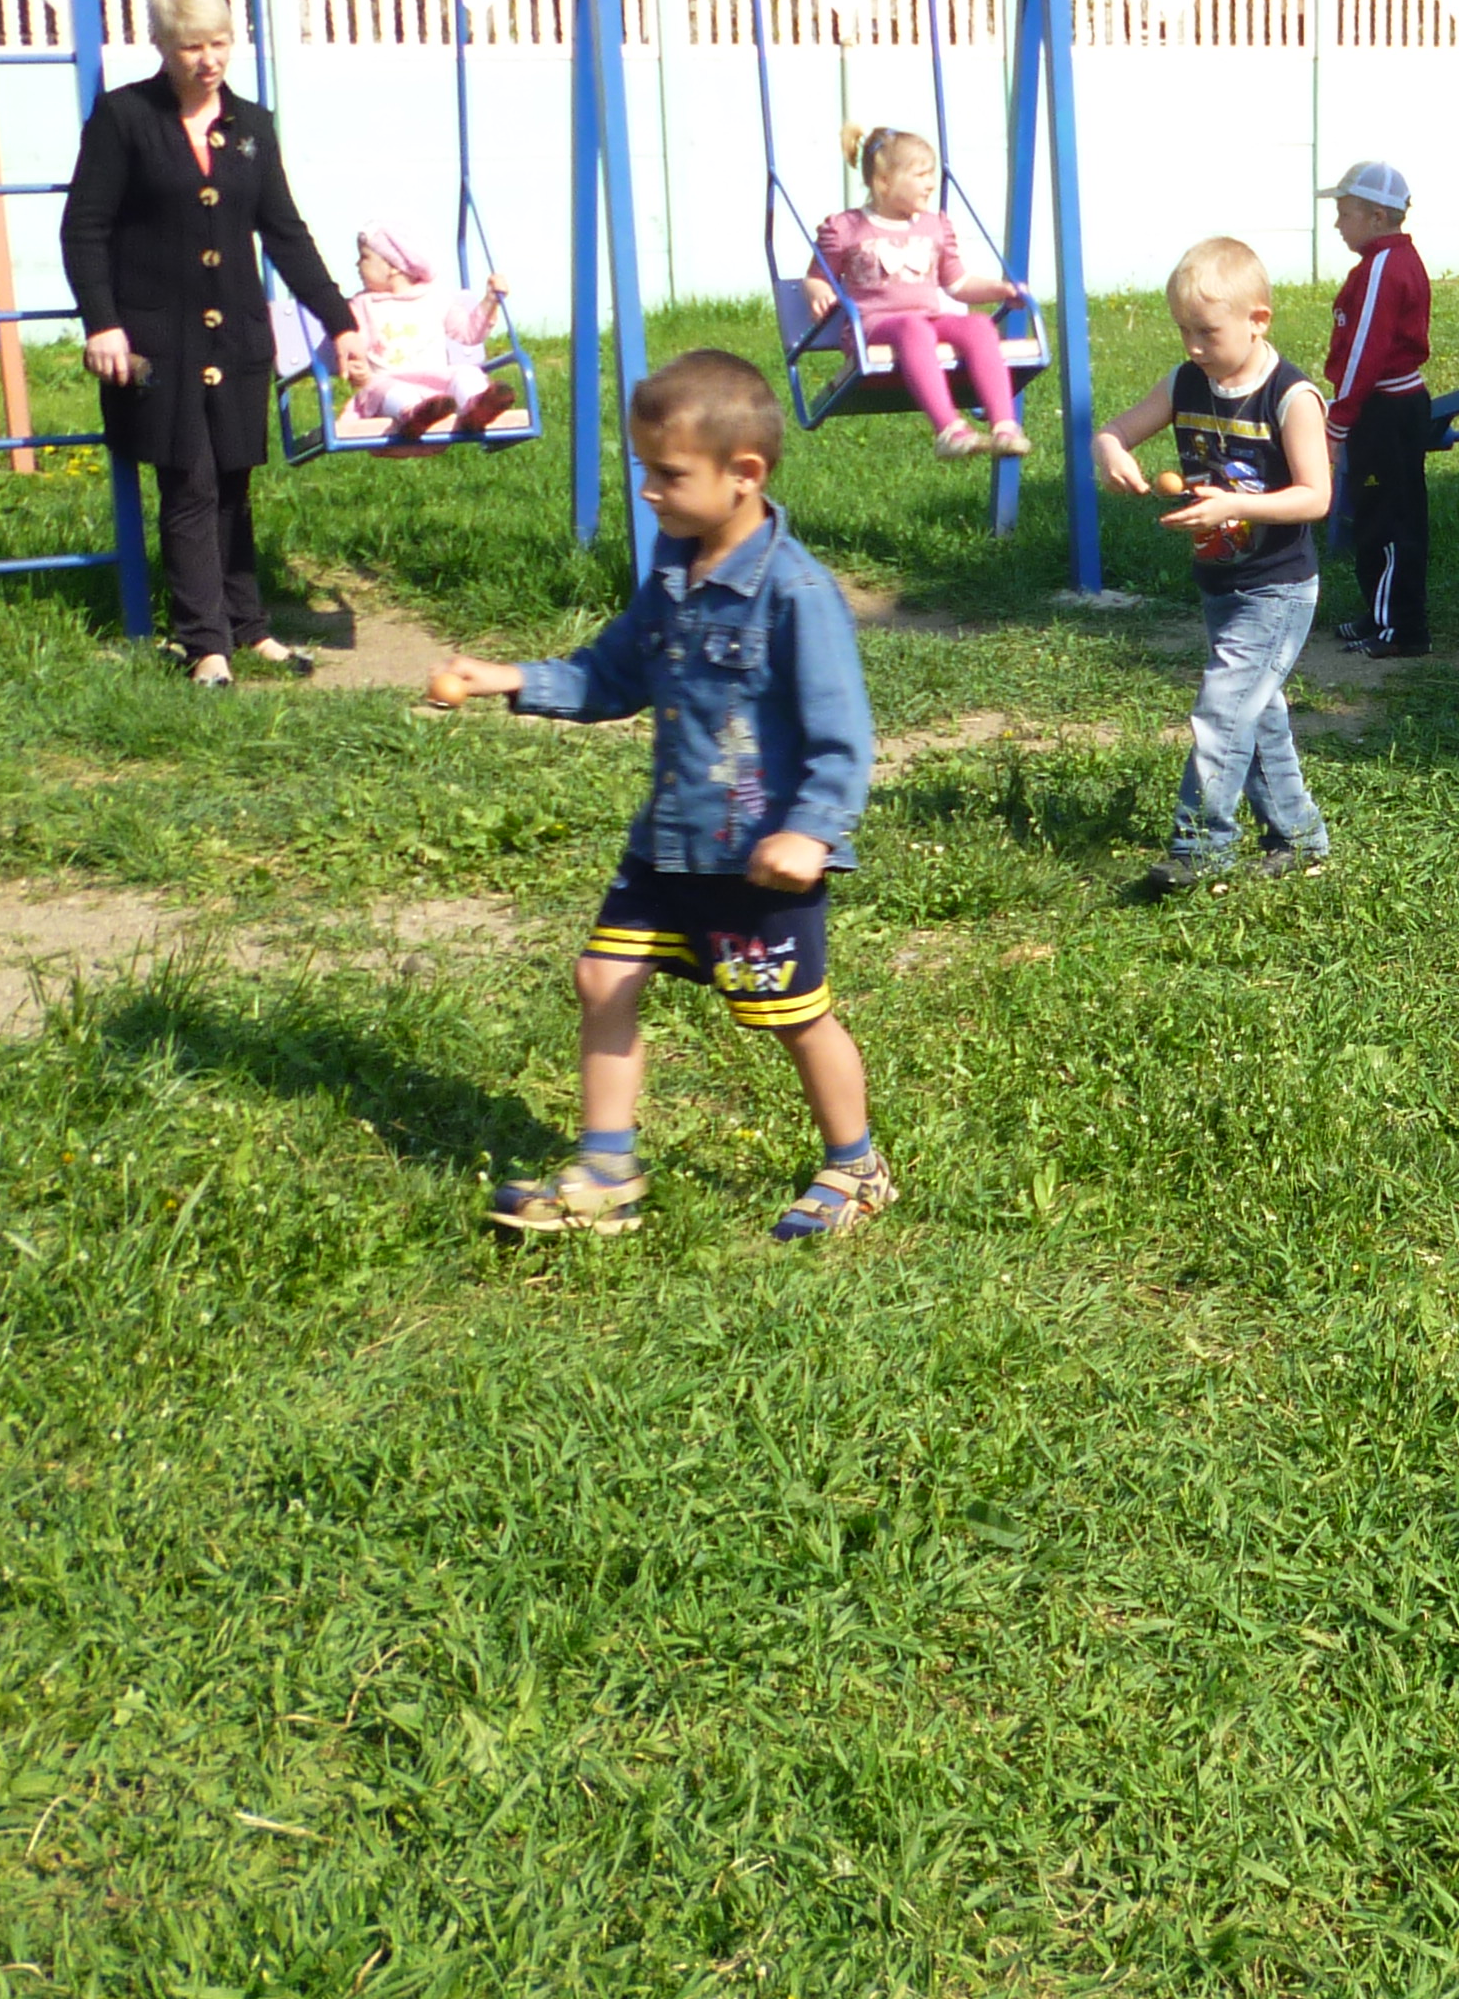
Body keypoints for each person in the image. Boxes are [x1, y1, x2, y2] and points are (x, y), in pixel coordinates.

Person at [425, 350, 888, 1243]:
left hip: (759, 864)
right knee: (603, 975)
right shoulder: (672, 575)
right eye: (643, 468)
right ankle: (607, 1169)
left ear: (744, 476)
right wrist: (510, 678)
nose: (648, 490)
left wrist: (813, 832)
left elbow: (844, 737)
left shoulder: (795, 595)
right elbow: (610, 674)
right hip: (668, 847)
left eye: (668, 473)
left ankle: (857, 1165)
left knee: (792, 1019)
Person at [61, 0, 369, 686]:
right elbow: (85, 230)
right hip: (155, 342)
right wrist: (102, 324)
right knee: (191, 482)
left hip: (235, 338)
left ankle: (249, 627)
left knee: (233, 480)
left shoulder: (252, 127)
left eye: (221, 42)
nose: (210, 59)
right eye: (193, 45)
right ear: (163, 46)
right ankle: (206, 644)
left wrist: (340, 321)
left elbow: (284, 233)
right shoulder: (123, 119)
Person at [1094, 238, 1337, 892]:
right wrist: (1110, 449)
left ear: (1259, 319)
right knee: (1257, 711)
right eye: (1184, 331)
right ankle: (1299, 836)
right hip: (1221, 583)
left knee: (1223, 710)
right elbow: (1116, 429)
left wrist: (1235, 503)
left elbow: (1317, 496)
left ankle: (1200, 845)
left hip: (1278, 588)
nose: (1194, 346)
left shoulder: (1291, 397)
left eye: (1208, 332)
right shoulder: (1185, 383)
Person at [807, 126, 1029, 462]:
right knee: (913, 327)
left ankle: (1004, 426)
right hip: (873, 328)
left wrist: (999, 289)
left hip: (925, 321)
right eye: (921, 174)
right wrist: (819, 292)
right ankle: (949, 430)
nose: (930, 183)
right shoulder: (846, 228)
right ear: (884, 182)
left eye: (932, 174)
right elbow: (816, 277)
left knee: (979, 326)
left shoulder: (934, 226)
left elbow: (957, 284)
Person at [1318, 159, 1433, 656]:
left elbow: (1367, 347)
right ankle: (1379, 613)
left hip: (1386, 408)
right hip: (1384, 406)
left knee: (1389, 519)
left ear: (1378, 217)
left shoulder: (1385, 266)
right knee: (1375, 513)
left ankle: (1400, 629)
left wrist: (1338, 419)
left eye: (1346, 213)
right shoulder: (1379, 262)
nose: (1338, 224)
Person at [339, 228, 519, 442]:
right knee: (389, 390)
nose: (357, 265)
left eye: (365, 257)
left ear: (393, 267)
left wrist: (490, 301)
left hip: (437, 387)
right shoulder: (362, 305)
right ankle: (413, 417)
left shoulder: (436, 297)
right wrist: (357, 367)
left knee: (467, 373)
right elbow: (355, 345)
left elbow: (469, 333)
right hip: (389, 381)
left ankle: (478, 408)